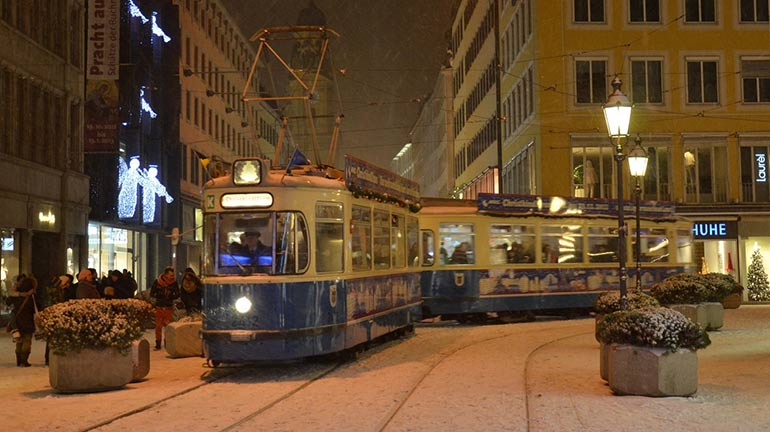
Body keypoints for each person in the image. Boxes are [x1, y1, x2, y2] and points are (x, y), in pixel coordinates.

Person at [9, 276, 37, 367]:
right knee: (27, 340)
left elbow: (8, 302)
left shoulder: (16, 295)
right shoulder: (31, 297)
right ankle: (24, 360)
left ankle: (18, 359)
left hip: (17, 321)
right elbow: (35, 308)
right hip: (27, 321)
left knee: (19, 340)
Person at [150, 266, 180, 350]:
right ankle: (158, 343)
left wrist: (171, 295)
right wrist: (161, 294)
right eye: (171, 275)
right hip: (159, 307)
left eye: (172, 275)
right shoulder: (158, 282)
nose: (172, 276)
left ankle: (168, 342)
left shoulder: (174, 283)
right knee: (158, 326)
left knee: (168, 327)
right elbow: (152, 293)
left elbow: (177, 294)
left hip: (168, 307)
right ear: (166, 274)